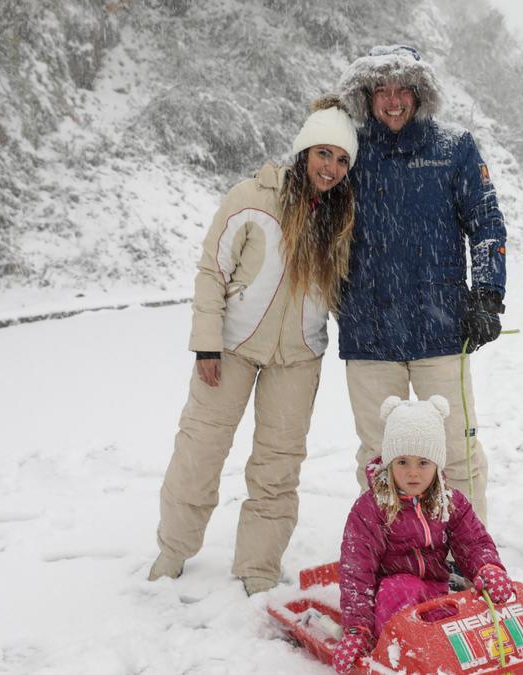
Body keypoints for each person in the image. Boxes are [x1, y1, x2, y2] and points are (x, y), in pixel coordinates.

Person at [147, 96, 358, 595]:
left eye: (342, 159)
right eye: (323, 153)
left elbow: (347, 293)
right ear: (304, 150)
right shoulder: (251, 197)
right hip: (231, 348)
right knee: (200, 449)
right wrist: (206, 345)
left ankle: (258, 567)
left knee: (278, 464)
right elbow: (212, 270)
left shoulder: (343, 220)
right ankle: (173, 549)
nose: (330, 168)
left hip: (299, 356)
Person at [335, 44, 508, 522]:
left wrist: (488, 294)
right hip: (368, 329)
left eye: (402, 90)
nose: (392, 101)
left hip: (441, 326)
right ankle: (389, 544)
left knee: (456, 450)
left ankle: (467, 553)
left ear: (419, 93)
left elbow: (487, 222)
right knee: (377, 454)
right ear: (367, 97)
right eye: (381, 91)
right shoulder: (348, 149)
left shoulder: (454, 148)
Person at [332, 396, 515, 674]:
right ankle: (402, 654)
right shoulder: (371, 509)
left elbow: (473, 541)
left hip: (437, 588)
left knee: (462, 607)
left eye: (423, 462)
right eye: (403, 461)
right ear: (390, 462)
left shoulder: (449, 501)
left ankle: (447, 653)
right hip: (389, 598)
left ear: (437, 464)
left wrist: (487, 567)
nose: (413, 473)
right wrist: (357, 630)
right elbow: (357, 572)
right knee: (400, 589)